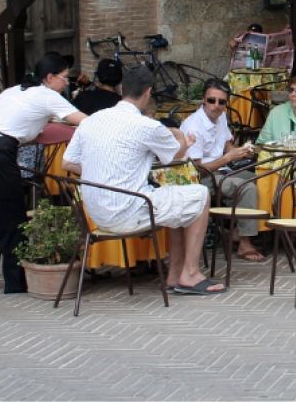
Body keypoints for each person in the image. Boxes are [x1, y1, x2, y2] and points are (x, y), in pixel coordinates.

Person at [61, 66, 225, 295]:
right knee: (200, 194)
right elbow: (176, 155)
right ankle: (190, 274)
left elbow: (67, 163)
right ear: (148, 92)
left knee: (176, 200)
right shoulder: (146, 125)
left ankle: (174, 275)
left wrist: (103, 172)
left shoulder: (91, 121)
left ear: (121, 89)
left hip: (95, 214)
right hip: (129, 211)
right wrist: (180, 137)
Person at [0, 52, 86, 295]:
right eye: (64, 77)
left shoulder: (14, 90)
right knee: (12, 219)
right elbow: (85, 121)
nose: (67, 83)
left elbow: (19, 127)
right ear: (49, 77)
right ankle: (17, 282)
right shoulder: (48, 96)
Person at [178, 79, 264, 263]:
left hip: (223, 170)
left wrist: (243, 151)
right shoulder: (194, 126)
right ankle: (245, 243)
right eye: (211, 100)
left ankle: (241, 231)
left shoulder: (221, 117)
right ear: (203, 99)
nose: (216, 106)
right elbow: (196, 171)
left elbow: (227, 145)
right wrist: (228, 158)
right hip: (202, 177)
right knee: (246, 187)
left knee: (264, 178)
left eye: (221, 102)